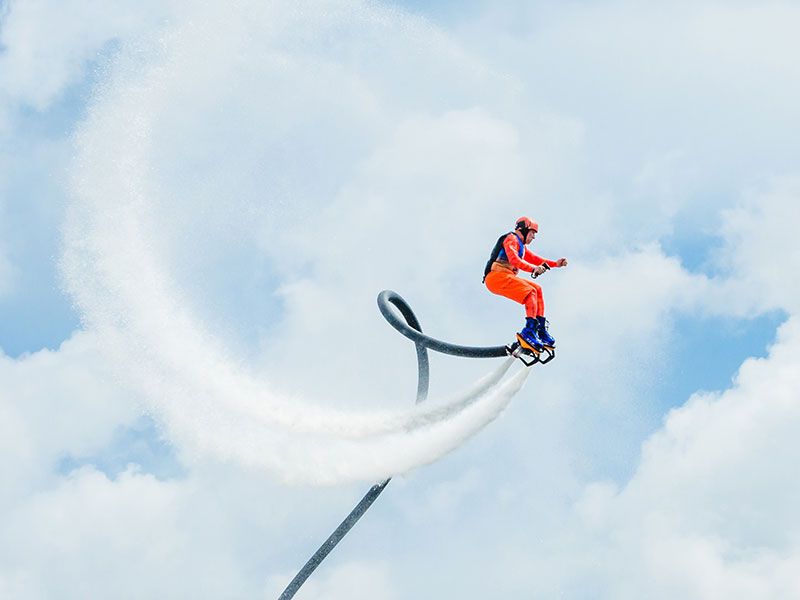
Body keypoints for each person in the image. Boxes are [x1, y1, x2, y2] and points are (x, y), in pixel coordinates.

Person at [483, 217, 568, 352]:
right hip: (496, 277)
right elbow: (514, 260)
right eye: (532, 233)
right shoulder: (511, 239)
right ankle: (528, 332)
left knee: (537, 289)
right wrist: (533, 269)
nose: (534, 237)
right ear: (524, 229)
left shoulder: (521, 245)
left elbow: (536, 259)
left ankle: (539, 330)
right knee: (530, 292)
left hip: (505, 276)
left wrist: (555, 264)